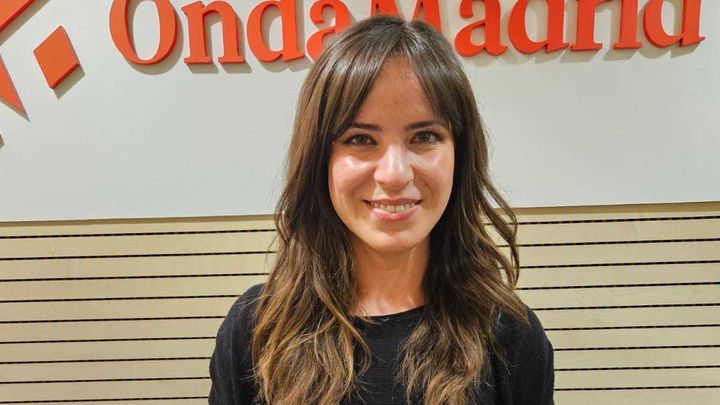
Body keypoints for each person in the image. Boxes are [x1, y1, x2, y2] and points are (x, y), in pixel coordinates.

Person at [209, 14, 554, 405]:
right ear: (320, 160)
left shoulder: (511, 335)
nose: (394, 174)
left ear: (461, 154)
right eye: (360, 139)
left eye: (424, 136)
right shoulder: (256, 330)